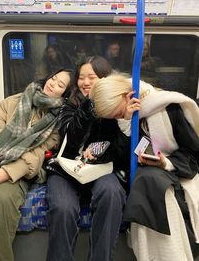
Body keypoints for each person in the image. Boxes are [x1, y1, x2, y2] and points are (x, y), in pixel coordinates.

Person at [0, 69, 72, 261]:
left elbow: (38, 153)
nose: (52, 84)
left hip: (18, 171)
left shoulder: (57, 121)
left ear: (65, 93)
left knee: (2, 202)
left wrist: (8, 170)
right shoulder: (12, 101)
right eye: (53, 78)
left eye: (60, 85)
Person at [90, 73, 199, 261]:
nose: (116, 117)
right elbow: (121, 160)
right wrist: (125, 123)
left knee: (151, 183)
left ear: (127, 96)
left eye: (117, 113)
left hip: (175, 168)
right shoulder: (117, 119)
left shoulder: (168, 109)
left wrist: (166, 163)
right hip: (143, 174)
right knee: (146, 181)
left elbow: (193, 154)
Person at [46, 56, 134, 261]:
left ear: (104, 79)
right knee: (63, 207)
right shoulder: (70, 104)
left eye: (92, 77)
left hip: (102, 168)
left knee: (112, 193)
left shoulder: (118, 108)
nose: (85, 83)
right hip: (67, 169)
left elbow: (122, 154)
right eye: (81, 78)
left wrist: (123, 120)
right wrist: (90, 106)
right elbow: (71, 143)